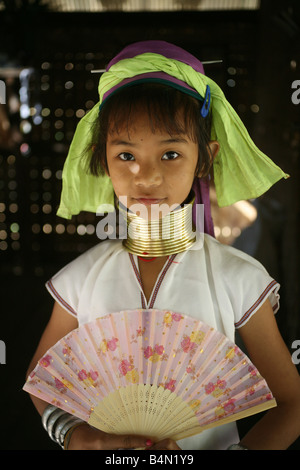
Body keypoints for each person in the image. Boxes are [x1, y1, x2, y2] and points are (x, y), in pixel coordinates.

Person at [25, 40, 300, 451]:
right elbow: (42, 381)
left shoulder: (236, 276)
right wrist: (82, 437)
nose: (146, 175)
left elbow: (292, 402)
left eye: (170, 153)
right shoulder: (81, 279)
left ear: (204, 159)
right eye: (125, 155)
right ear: (103, 159)